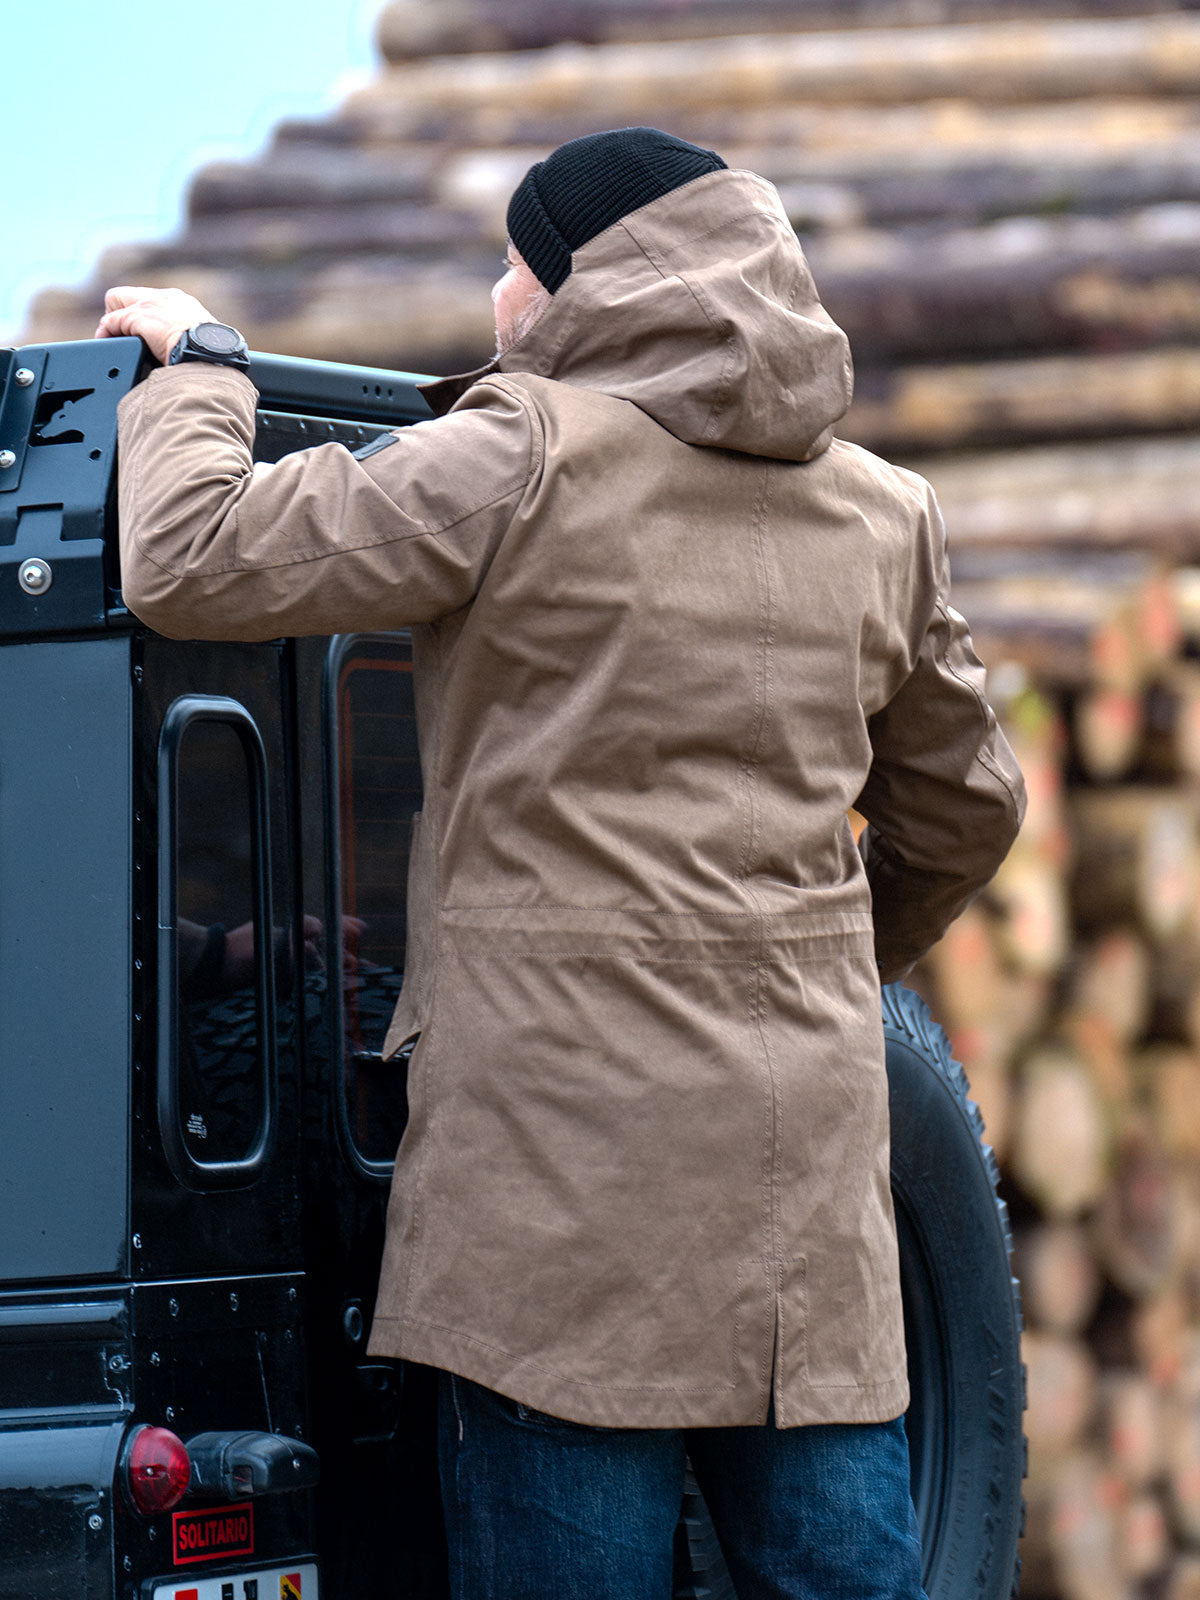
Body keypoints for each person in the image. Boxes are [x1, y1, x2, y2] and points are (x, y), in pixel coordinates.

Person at [99, 126, 1024, 1600]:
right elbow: (968, 805)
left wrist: (203, 365)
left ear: (585, 282)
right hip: (807, 1240)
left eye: (508, 264)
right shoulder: (882, 513)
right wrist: (824, 980)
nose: (493, 296)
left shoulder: (519, 459)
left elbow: (194, 556)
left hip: (558, 1229)